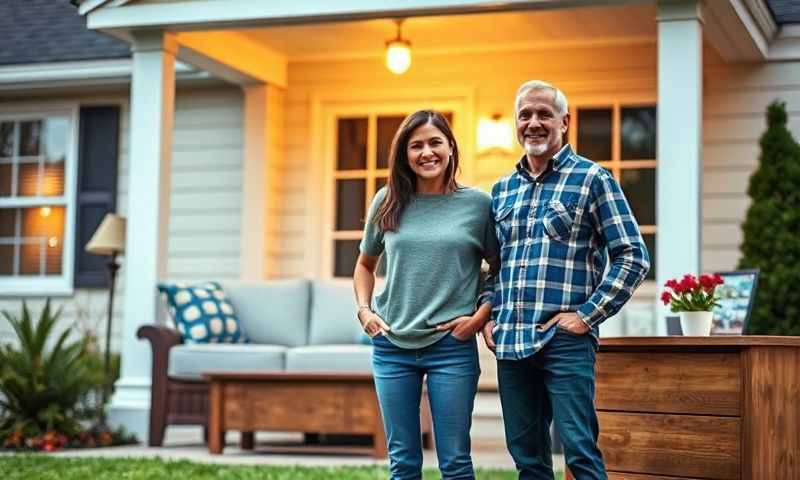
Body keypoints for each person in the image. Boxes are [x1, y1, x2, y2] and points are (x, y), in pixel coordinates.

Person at [481, 80, 650, 479]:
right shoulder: (503, 190)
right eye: (525, 115)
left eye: (544, 114)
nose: (534, 123)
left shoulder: (593, 179)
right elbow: (493, 265)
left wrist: (586, 316)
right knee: (528, 459)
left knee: (579, 453)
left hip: (565, 342)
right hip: (511, 341)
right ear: (516, 123)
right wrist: (487, 314)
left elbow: (632, 255)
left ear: (564, 122)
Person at [353, 109, 498, 480]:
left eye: (435, 142)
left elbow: (498, 271)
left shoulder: (479, 205)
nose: (426, 152)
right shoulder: (386, 201)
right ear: (404, 154)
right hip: (391, 345)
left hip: (451, 346)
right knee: (403, 463)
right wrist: (365, 311)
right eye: (415, 145)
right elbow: (365, 265)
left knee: (455, 461)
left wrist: (479, 317)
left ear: (450, 147)